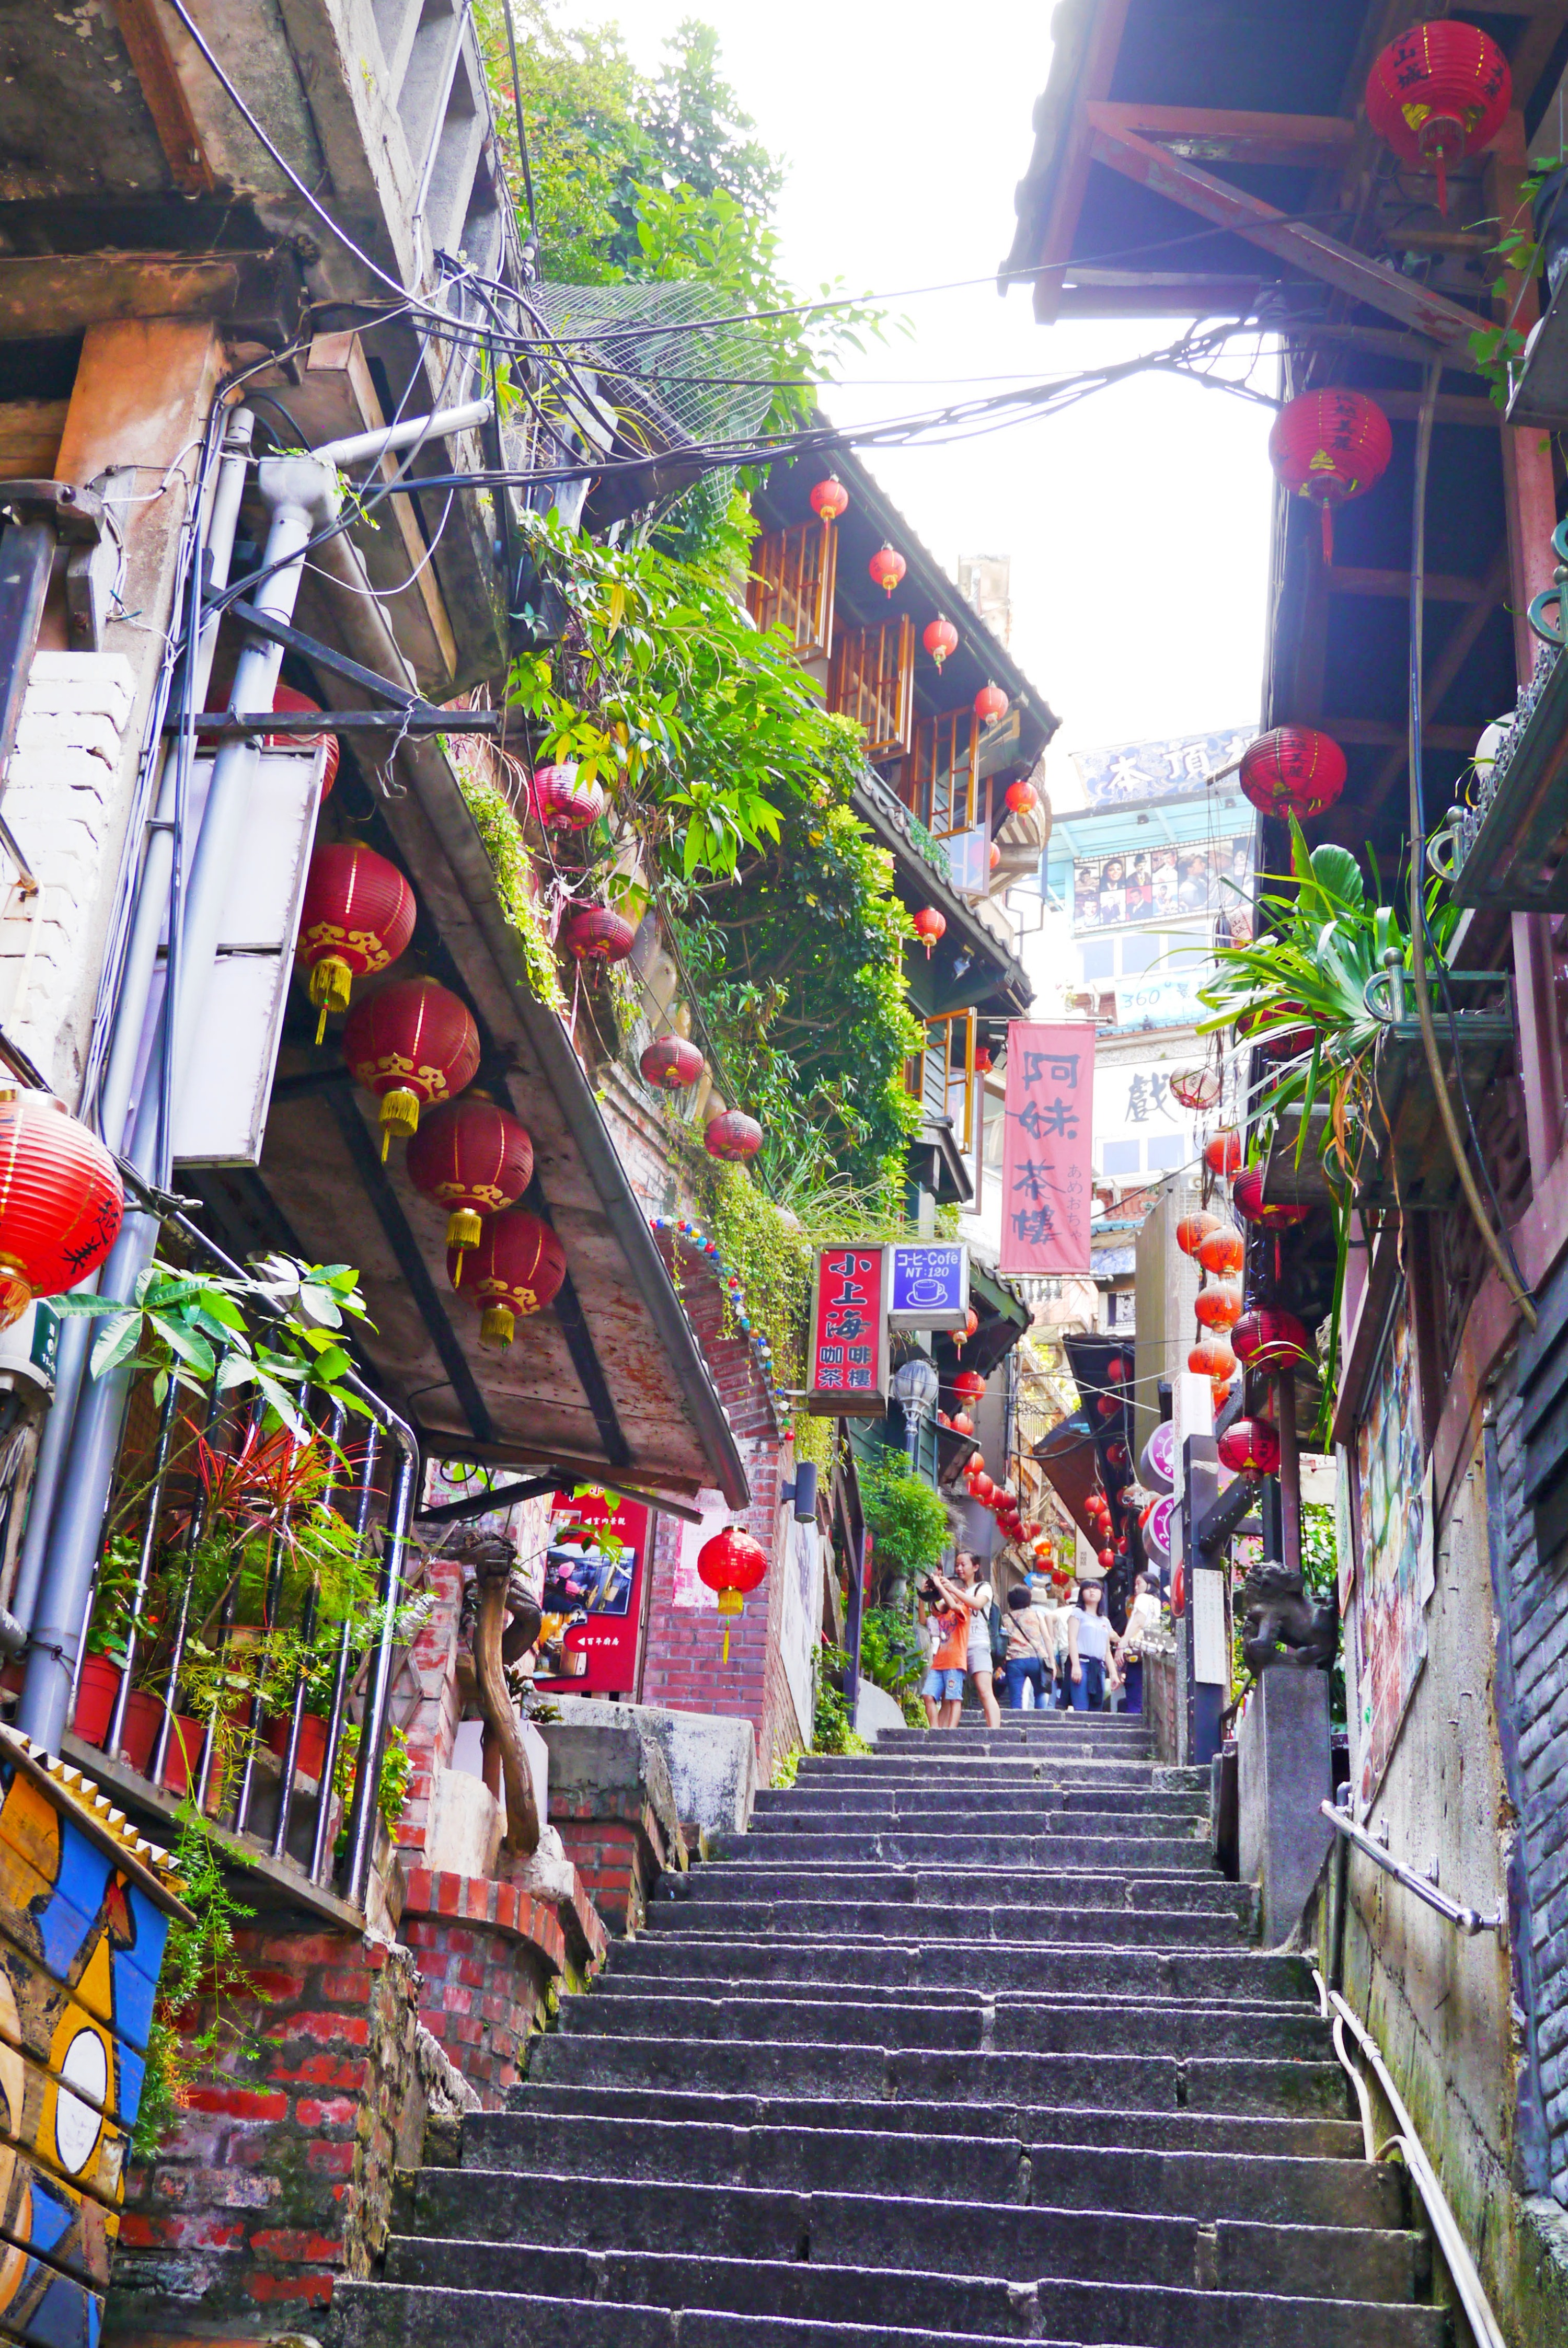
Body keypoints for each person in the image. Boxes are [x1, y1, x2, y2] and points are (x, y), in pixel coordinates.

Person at [952, 1549, 1001, 1727]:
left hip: (978, 1645)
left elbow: (977, 1603)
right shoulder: (960, 1590)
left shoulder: (984, 1587)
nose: (959, 1568)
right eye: (957, 1565)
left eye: (963, 1564)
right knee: (950, 1693)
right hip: (958, 1647)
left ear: (976, 1567)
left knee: (985, 1691)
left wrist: (953, 1591)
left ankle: (995, 1732)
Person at [918, 1569, 972, 1728]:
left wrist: (941, 1586)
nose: (944, 1594)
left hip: (955, 1663)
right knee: (928, 1696)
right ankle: (935, 1730)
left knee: (954, 1698)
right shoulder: (942, 1613)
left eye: (948, 1590)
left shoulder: (964, 1610)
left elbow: (954, 1605)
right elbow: (923, 1620)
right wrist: (923, 1595)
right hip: (939, 1664)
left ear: (960, 1592)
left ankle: (951, 1731)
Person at [1067, 1579, 1120, 1711]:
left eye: (1096, 1588)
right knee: (1081, 1708)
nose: (1092, 1591)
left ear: (1102, 1594)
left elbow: (1107, 1651)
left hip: (1099, 1668)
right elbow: (1072, 1640)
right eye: (1088, 1588)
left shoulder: (1105, 1621)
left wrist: (1114, 1674)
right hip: (1082, 1664)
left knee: (1097, 1708)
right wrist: (1076, 1666)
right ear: (1082, 1593)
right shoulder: (1077, 1614)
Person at [1114, 1572, 1162, 1715]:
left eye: (1139, 1583)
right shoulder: (1158, 1602)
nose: (1136, 1587)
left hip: (1136, 1653)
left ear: (1150, 1584)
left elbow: (1138, 1623)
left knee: (1134, 1695)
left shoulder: (1142, 1598)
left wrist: (1122, 1645)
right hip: (1150, 1654)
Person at [1002, 1585, 1055, 1710]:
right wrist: (1052, 1662)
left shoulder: (1005, 1618)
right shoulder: (1037, 1615)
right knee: (1041, 1692)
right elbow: (1047, 1639)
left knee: (1016, 1698)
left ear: (1010, 1602)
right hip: (1037, 1658)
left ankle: (1017, 1725)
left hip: (1015, 1660)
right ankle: (1040, 1722)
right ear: (1029, 1600)